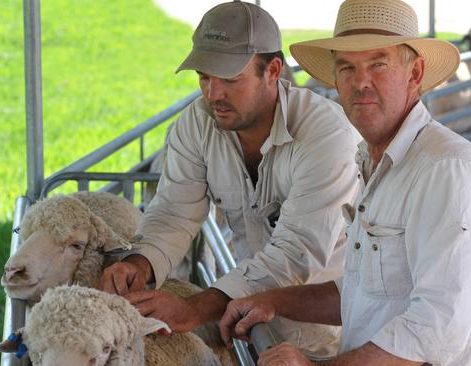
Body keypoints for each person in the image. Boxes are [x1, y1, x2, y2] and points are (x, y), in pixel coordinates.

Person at [218, 0, 471, 365]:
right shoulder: (376, 163)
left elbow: (435, 329)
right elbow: (363, 292)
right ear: (334, 80)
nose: (360, 83)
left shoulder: (446, 170)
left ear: (415, 73)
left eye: (378, 64)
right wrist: (271, 301)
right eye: (346, 67)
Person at [99, 0, 361, 360]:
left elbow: (296, 253)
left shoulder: (327, 135)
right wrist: (140, 263)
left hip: (339, 339)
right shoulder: (198, 122)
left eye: (230, 79)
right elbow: (175, 210)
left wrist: (195, 308)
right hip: (254, 328)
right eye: (204, 77)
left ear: (272, 71)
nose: (212, 94)